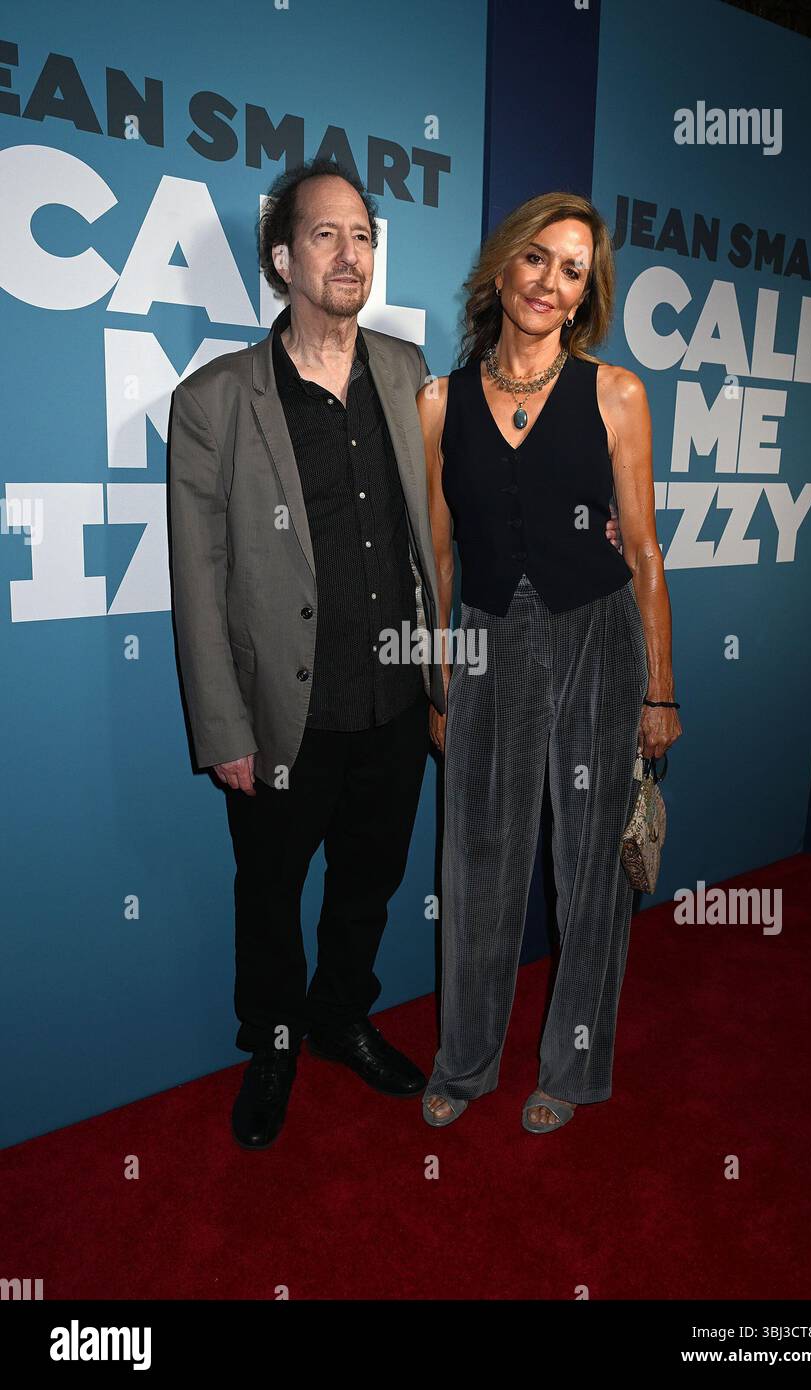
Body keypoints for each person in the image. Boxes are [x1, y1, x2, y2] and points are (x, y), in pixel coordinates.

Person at [168, 159, 446, 1150]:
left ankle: (340, 1016)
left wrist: (442, 679)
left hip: (394, 701)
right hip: (282, 715)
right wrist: (223, 728)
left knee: (369, 882)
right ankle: (275, 1039)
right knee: (271, 894)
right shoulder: (214, 400)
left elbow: (436, 541)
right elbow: (197, 584)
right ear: (282, 258)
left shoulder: (409, 373)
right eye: (324, 234)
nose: (349, 252)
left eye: (362, 234)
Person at [417, 191, 682, 1134]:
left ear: (584, 296)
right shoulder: (439, 402)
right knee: (478, 857)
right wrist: (440, 678)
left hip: (600, 635)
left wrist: (661, 686)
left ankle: (571, 1070)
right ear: (502, 267)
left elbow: (644, 550)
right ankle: (467, 1059)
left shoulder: (616, 393)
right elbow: (440, 559)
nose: (551, 282)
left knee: (590, 869)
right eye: (538, 259)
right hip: (487, 641)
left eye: (573, 270)